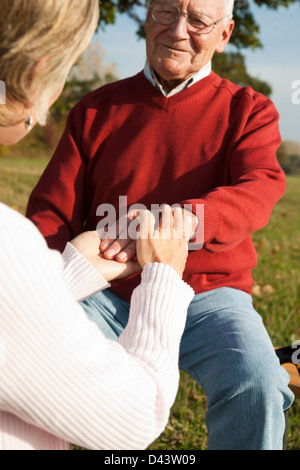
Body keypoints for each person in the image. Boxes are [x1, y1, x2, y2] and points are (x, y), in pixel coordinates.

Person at [26, 0, 295, 450]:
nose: (177, 30)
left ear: (224, 34)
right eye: (166, 12)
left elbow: (260, 187)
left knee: (258, 380)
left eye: (199, 21)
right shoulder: (94, 109)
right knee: (33, 358)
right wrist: (39, 284)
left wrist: (186, 222)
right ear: (148, 17)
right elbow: (51, 214)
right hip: (107, 294)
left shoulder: (249, 110)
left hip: (209, 296)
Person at [0, 0, 195, 450]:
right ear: (38, 74)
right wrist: (163, 277)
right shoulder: (10, 245)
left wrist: (67, 271)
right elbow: (134, 419)